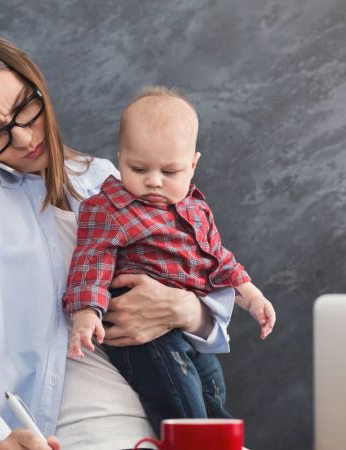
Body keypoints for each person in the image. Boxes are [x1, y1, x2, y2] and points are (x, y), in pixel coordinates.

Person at [0, 25, 237, 450]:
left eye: (24, 109)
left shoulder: (104, 177)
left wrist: (187, 310)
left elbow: (202, 289)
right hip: (71, 433)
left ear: (35, 82)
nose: (23, 137)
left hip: (172, 414)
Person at [63, 86, 276, 434]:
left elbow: (217, 260)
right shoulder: (108, 208)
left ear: (192, 165)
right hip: (145, 338)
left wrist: (251, 296)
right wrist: (86, 313)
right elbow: (91, 262)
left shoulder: (195, 208)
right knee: (183, 409)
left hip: (188, 332)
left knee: (213, 397)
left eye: (170, 171)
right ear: (120, 159)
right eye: (138, 168)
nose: (154, 182)